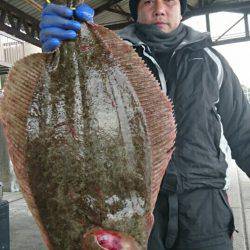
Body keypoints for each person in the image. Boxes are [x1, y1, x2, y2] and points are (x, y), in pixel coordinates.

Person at [40, 1, 250, 249]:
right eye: (148, 1)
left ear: (181, 10)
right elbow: (70, 117)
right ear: (135, 12)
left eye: (169, 1)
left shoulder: (211, 60)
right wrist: (56, 58)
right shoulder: (109, 57)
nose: (160, 9)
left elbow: (243, 132)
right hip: (134, 210)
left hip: (205, 209)